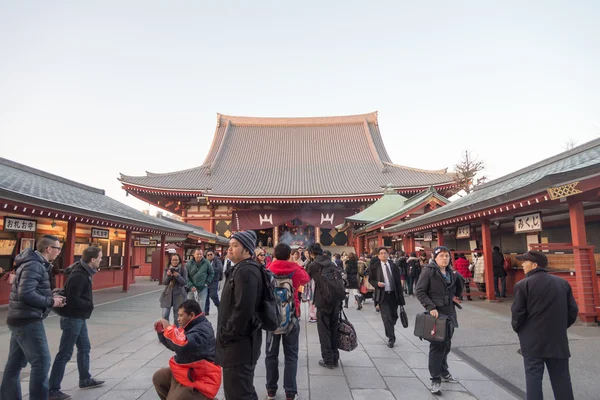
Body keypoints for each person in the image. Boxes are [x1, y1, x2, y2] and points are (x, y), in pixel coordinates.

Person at [1, 235, 66, 400]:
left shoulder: (35, 264)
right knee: (42, 362)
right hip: (27, 319)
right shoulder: (35, 266)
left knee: (14, 364)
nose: (59, 251)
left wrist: (51, 295)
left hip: (19, 317)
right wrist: (52, 301)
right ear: (49, 249)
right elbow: (26, 293)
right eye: (58, 248)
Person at [511, 251, 578, 400]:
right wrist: (560, 326)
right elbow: (573, 310)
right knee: (561, 378)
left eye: (525, 262)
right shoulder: (562, 283)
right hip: (557, 339)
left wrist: (521, 330)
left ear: (534, 265)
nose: (522, 264)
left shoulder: (523, 285)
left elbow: (517, 314)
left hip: (532, 340)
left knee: (533, 378)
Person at [48, 246, 105, 400]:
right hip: (72, 318)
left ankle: (85, 379)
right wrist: (89, 304)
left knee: (84, 347)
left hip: (79, 318)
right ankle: (52, 389)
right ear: (92, 259)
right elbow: (73, 299)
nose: (101, 259)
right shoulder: (79, 275)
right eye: (99, 257)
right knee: (65, 353)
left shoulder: (85, 271)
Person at [216, 230, 264, 400]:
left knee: (238, 393)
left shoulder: (246, 272)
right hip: (239, 344)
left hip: (239, 346)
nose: (229, 249)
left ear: (247, 250)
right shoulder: (241, 269)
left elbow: (243, 310)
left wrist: (226, 335)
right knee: (242, 390)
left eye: (235, 246)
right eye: (229, 245)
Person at [415, 246, 463, 395]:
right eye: (441, 256)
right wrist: (430, 307)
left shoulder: (451, 272)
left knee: (447, 344)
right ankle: (435, 379)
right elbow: (420, 291)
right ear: (435, 257)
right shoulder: (429, 271)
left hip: (449, 311)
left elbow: (457, 289)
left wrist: (458, 282)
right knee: (437, 346)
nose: (445, 258)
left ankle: (444, 371)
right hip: (436, 313)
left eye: (447, 256)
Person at [265, 243, 310, 400]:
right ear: (289, 254)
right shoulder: (295, 269)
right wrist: (296, 263)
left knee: (271, 355)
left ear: (275, 255)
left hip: (272, 318)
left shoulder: (268, 269)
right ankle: (290, 392)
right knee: (291, 355)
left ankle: (271, 390)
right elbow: (306, 278)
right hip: (291, 316)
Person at [153, 300, 221, 400]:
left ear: (191, 315)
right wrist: (162, 332)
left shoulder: (203, 330)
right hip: (187, 372)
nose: (178, 319)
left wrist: (169, 329)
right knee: (159, 378)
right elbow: (175, 345)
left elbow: (183, 345)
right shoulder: (190, 326)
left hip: (201, 378)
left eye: (181, 316)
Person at [307, 243, 342, 369]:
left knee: (324, 331)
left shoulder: (313, 265)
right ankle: (335, 357)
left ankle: (328, 360)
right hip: (336, 301)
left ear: (311, 253)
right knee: (333, 329)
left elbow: (305, 278)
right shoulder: (332, 263)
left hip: (323, 301)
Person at [368, 247, 406, 348]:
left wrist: (401, 296)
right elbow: (370, 280)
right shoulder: (375, 267)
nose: (383, 255)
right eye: (381, 253)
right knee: (386, 317)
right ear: (378, 255)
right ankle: (391, 337)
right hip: (383, 295)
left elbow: (398, 282)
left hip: (393, 294)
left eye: (385, 253)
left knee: (394, 316)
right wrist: (377, 283)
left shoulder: (393, 266)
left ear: (388, 254)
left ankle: (390, 327)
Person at [160, 253, 188, 328]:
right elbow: (164, 282)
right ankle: (166, 332)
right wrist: (168, 276)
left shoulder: (182, 269)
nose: (174, 261)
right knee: (165, 314)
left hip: (179, 295)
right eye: (173, 260)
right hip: (168, 294)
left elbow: (184, 282)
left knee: (177, 316)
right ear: (170, 261)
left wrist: (178, 276)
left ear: (179, 261)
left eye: (176, 260)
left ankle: (177, 332)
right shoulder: (167, 269)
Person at [204, 250, 222, 316]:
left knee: (214, 295)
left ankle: (220, 307)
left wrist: (210, 268)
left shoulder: (217, 261)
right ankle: (206, 311)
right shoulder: (205, 262)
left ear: (213, 255)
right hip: (206, 281)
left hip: (214, 280)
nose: (209, 256)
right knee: (206, 296)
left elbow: (219, 269)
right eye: (208, 255)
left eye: (211, 254)